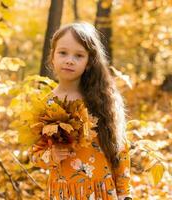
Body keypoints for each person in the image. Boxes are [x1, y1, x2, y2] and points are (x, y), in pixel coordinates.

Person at [29, 22, 132, 200]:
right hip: (63, 192)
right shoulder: (46, 104)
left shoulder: (101, 100)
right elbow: (33, 153)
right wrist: (50, 155)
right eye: (63, 53)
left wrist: (124, 193)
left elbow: (120, 147)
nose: (70, 60)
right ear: (52, 56)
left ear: (89, 62)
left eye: (79, 55)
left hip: (101, 191)